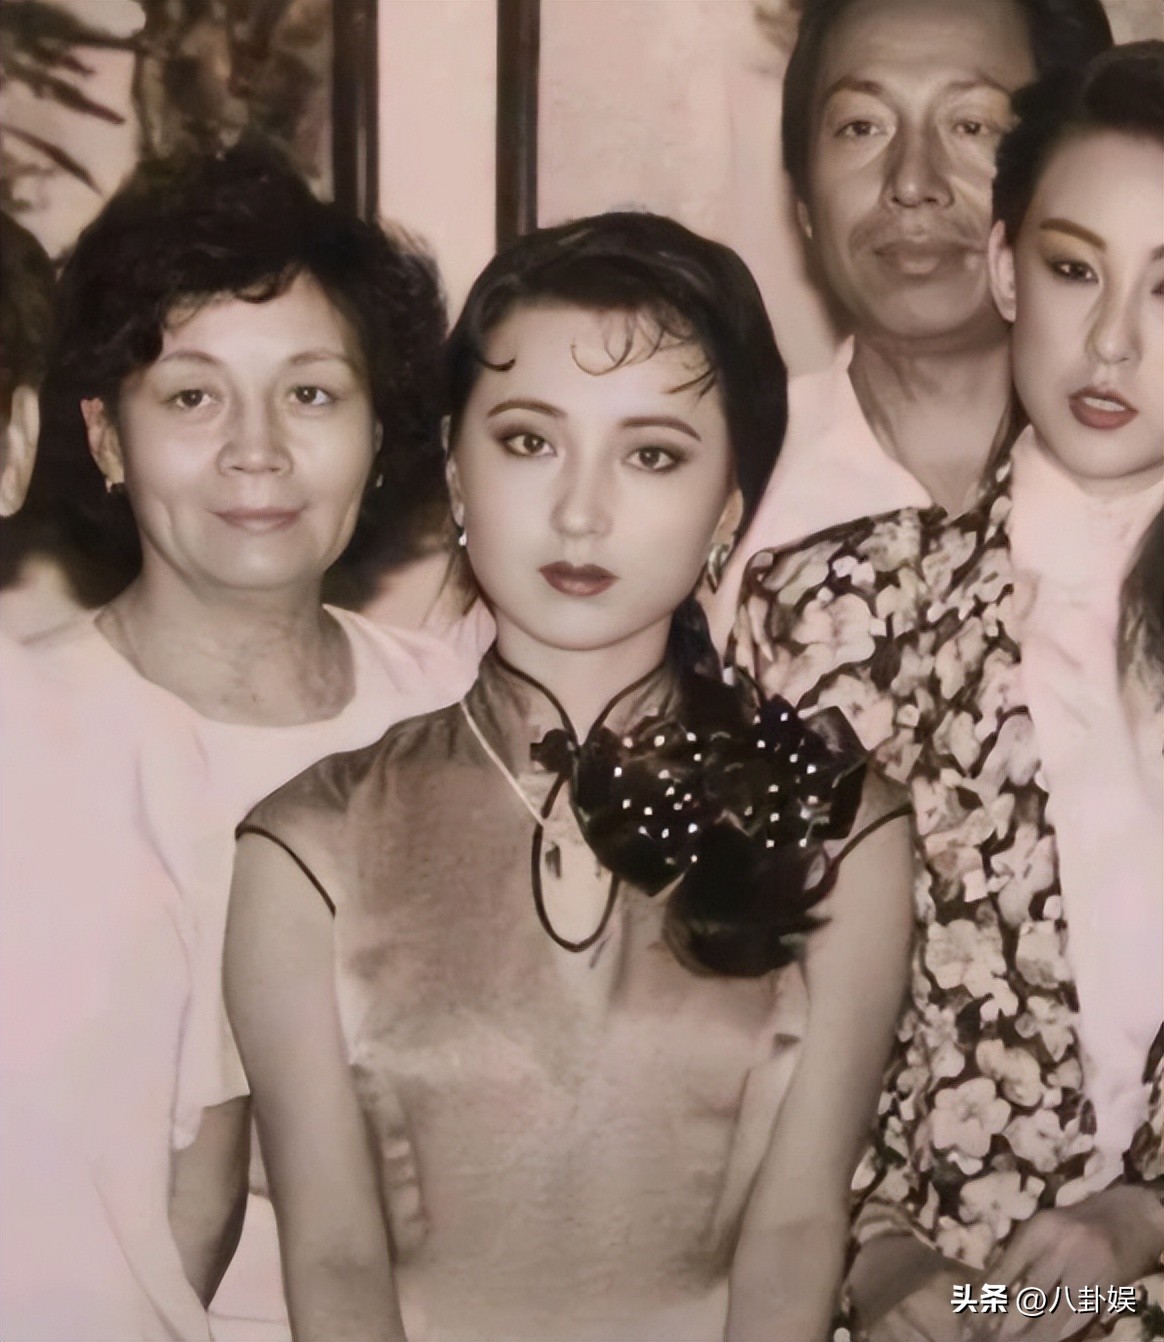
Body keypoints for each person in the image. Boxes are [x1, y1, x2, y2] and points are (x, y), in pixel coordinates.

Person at [225, 212, 914, 1342]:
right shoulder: (309, 847)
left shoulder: (837, 822)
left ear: (729, 506)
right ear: (456, 470)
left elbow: (795, 1234)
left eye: (653, 455)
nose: (582, 511)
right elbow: (336, 1260)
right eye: (530, 442)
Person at [8, 143, 486, 1340]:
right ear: (104, 438)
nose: (255, 448)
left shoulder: (475, 722)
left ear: (380, 432)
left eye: (311, 394)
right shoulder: (21, 734)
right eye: (192, 396)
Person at [732, 42, 1163, 1341]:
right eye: (1075, 270)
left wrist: (1143, 1218)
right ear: (1005, 268)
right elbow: (750, 1011)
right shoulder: (833, 610)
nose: (1114, 340)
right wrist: (875, 1256)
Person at [703, 0, 1113, 646]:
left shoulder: (1142, 479)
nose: (913, 181)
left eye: (972, 125)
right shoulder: (722, 485)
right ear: (803, 197)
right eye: (862, 127)